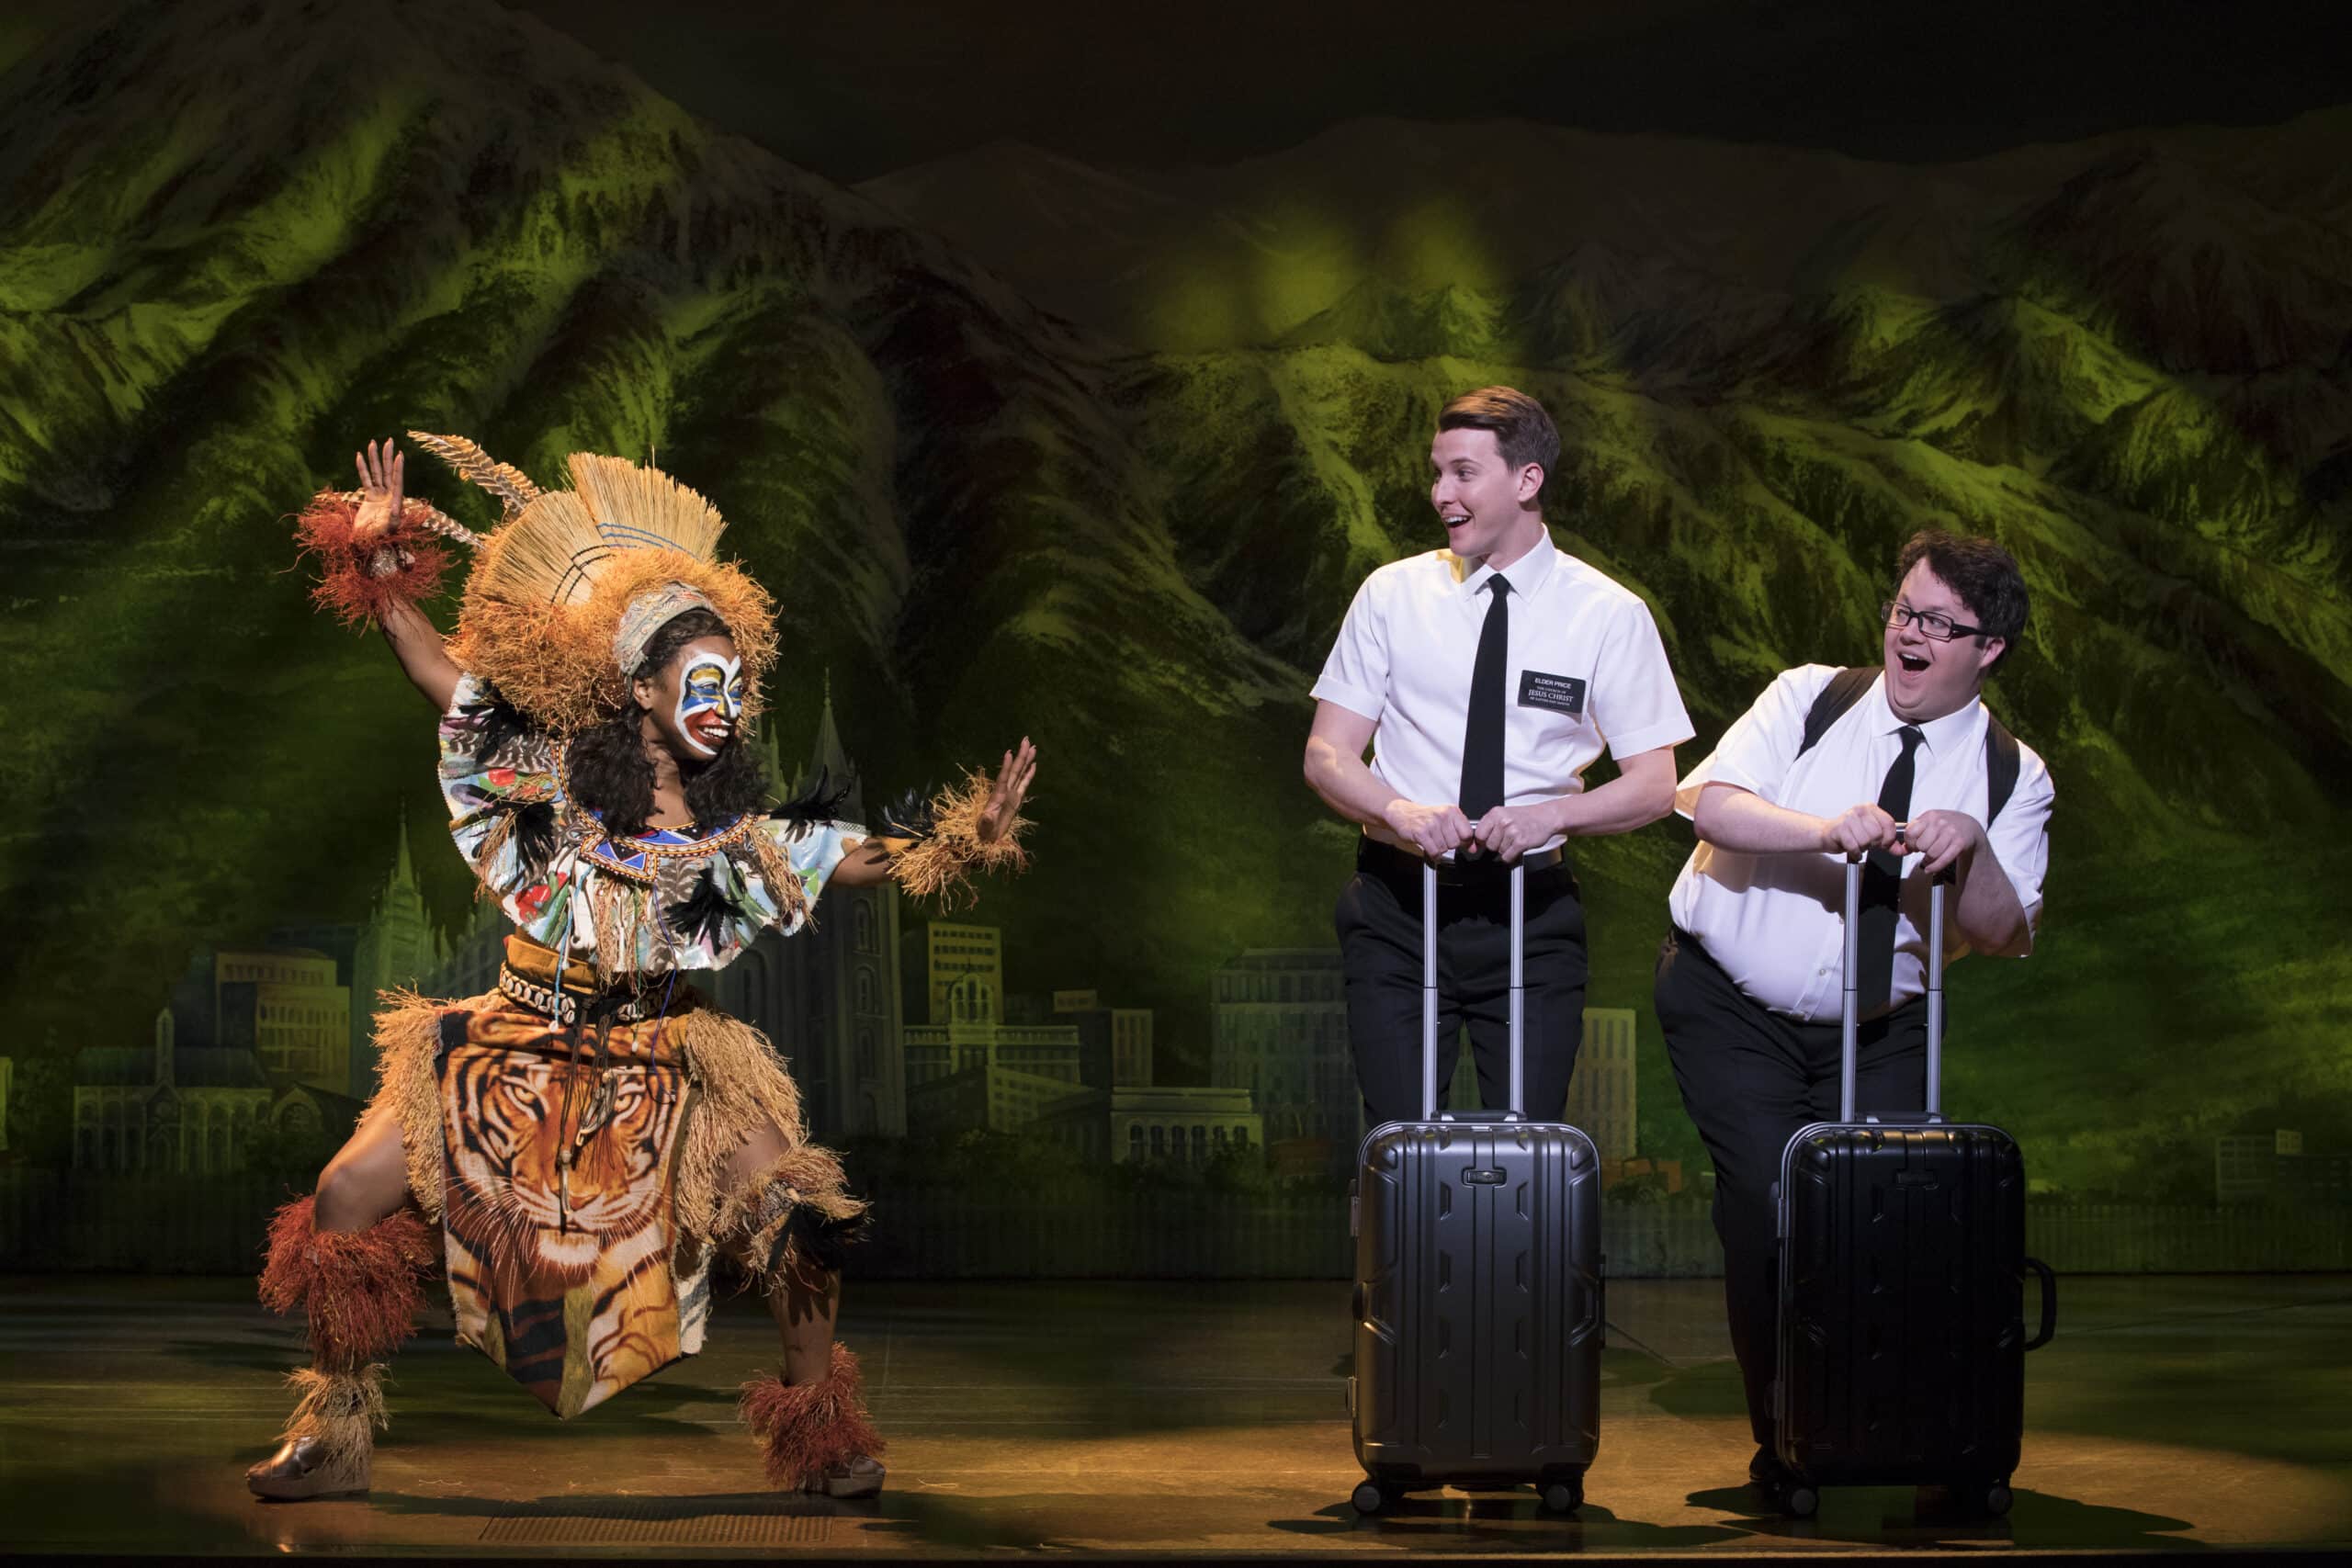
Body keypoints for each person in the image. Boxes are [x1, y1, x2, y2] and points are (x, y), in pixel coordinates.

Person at [247, 434, 1038, 1501]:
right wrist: (380, 556)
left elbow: (849, 854)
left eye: (736, 682)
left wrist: (968, 836)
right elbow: (436, 669)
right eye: (701, 679)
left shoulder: (738, 834)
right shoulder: (547, 773)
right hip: (514, 1036)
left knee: (796, 1220)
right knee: (346, 1193)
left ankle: (823, 1436)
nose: (726, 700)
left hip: (665, 1052)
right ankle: (333, 1431)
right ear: (638, 689)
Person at [1654, 526, 2052, 1490]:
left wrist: (1974, 854)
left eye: (1937, 624)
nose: (1908, 635)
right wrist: (1823, 830)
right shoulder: (1810, 698)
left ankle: (1885, 1431)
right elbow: (1705, 804)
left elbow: (2004, 933)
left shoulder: (2012, 774)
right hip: (1730, 1005)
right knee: (1768, 1204)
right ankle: (1786, 1435)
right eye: (1902, 611)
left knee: (1887, 1227)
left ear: (1986, 648)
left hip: (1882, 1031)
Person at [1303, 387, 1691, 1128]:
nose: (1440, 494)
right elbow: (1327, 752)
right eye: (1436, 472)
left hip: (1529, 914)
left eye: (1462, 473)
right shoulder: (1392, 595)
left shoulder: (1607, 613)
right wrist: (1396, 808)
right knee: (1400, 1149)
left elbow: (1654, 783)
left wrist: (1551, 813)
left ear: (1526, 481)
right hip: (1398, 907)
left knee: (1526, 1157)